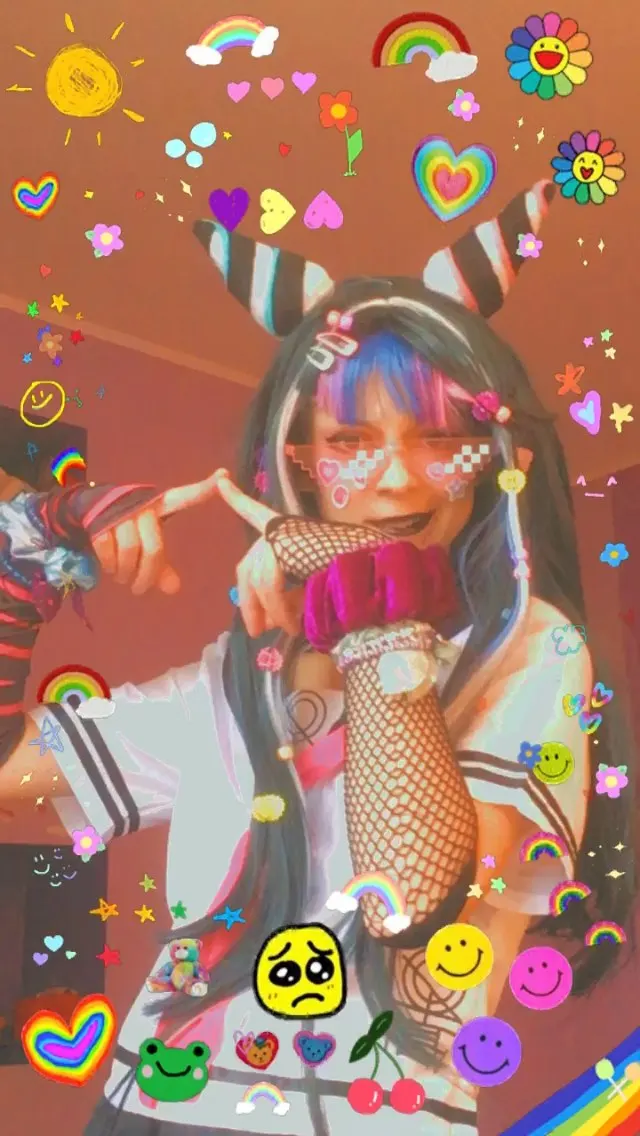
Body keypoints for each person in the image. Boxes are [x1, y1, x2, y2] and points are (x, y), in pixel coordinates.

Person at [0, 178, 633, 1136]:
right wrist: (26, 554)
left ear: (498, 460)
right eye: (349, 440)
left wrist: (371, 605)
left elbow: (407, 900)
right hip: (143, 1106)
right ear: (295, 464)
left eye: (443, 440)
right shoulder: (235, 676)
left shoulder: (531, 652)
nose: (396, 479)